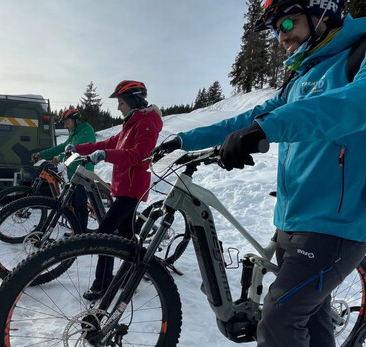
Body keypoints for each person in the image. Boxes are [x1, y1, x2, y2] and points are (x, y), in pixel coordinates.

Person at [153, 1, 366, 346]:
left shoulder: (359, 54)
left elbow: (352, 105)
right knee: (312, 323)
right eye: (274, 30)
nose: (280, 37)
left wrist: (267, 129)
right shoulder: (299, 79)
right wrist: (184, 138)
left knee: (279, 320)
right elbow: (246, 119)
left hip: (336, 228)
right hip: (291, 223)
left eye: (285, 24)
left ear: (323, 10)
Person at [68, 80, 163, 300]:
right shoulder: (130, 125)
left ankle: (102, 284)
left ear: (132, 100)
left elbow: (140, 155)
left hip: (132, 189)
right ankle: (135, 272)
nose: (118, 107)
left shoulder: (146, 123)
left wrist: (106, 155)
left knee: (105, 233)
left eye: (120, 102)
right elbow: (108, 143)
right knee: (129, 237)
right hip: (123, 188)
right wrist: (78, 148)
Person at [31, 109, 96, 232]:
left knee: (80, 205)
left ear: (75, 120)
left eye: (67, 123)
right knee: (73, 204)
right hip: (74, 172)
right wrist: (42, 154)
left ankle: (80, 233)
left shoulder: (86, 131)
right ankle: (75, 230)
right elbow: (62, 147)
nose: (65, 126)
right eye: (65, 124)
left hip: (84, 173)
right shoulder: (74, 132)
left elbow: (74, 150)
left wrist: (59, 157)